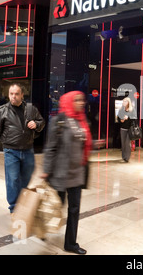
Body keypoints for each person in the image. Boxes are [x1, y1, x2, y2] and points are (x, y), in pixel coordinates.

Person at [41, 91, 92, 254]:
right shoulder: (59, 121)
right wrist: (46, 170)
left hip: (77, 174)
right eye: (77, 100)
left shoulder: (82, 120)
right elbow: (50, 148)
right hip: (60, 173)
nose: (81, 102)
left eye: (82, 100)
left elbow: (82, 142)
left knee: (74, 210)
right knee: (56, 207)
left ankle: (70, 244)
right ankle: (42, 228)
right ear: (69, 101)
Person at [0, 83, 45, 213]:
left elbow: (42, 122)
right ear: (8, 95)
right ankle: (14, 207)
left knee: (26, 177)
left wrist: (36, 124)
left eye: (16, 94)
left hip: (28, 149)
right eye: (11, 94)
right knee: (13, 179)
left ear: (22, 95)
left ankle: (22, 201)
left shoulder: (31, 109)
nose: (13, 97)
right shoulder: (2, 110)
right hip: (11, 150)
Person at [117, 97, 136, 162]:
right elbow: (118, 117)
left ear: (128, 102)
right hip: (123, 128)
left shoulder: (132, 109)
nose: (124, 103)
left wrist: (128, 117)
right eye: (123, 101)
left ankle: (127, 157)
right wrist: (121, 120)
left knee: (127, 143)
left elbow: (134, 118)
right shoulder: (121, 110)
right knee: (123, 143)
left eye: (125, 101)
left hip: (129, 129)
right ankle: (123, 156)